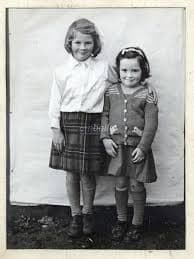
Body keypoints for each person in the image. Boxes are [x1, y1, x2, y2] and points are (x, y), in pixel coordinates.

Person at [49, 18, 157, 239]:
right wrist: (55, 129)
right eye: (77, 42)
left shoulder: (103, 68)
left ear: (94, 44)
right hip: (68, 123)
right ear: (70, 43)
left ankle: (88, 214)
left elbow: (125, 80)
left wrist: (148, 86)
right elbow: (54, 101)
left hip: (93, 123)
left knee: (88, 174)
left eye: (88, 43)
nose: (82, 47)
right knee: (71, 174)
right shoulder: (61, 71)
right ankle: (75, 215)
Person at [101, 47, 158, 242]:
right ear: (118, 70)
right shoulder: (111, 91)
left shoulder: (146, 94)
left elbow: (151, 123)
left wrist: (143, 147)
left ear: (143, 71)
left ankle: (137, 223)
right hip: (117, 148)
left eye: (134, 70)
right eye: (124, 70)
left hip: (137, 150)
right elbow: (105, 115)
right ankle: (121, 220)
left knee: (136, 184)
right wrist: (106, 138)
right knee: (120, 182)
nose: (129, 75)